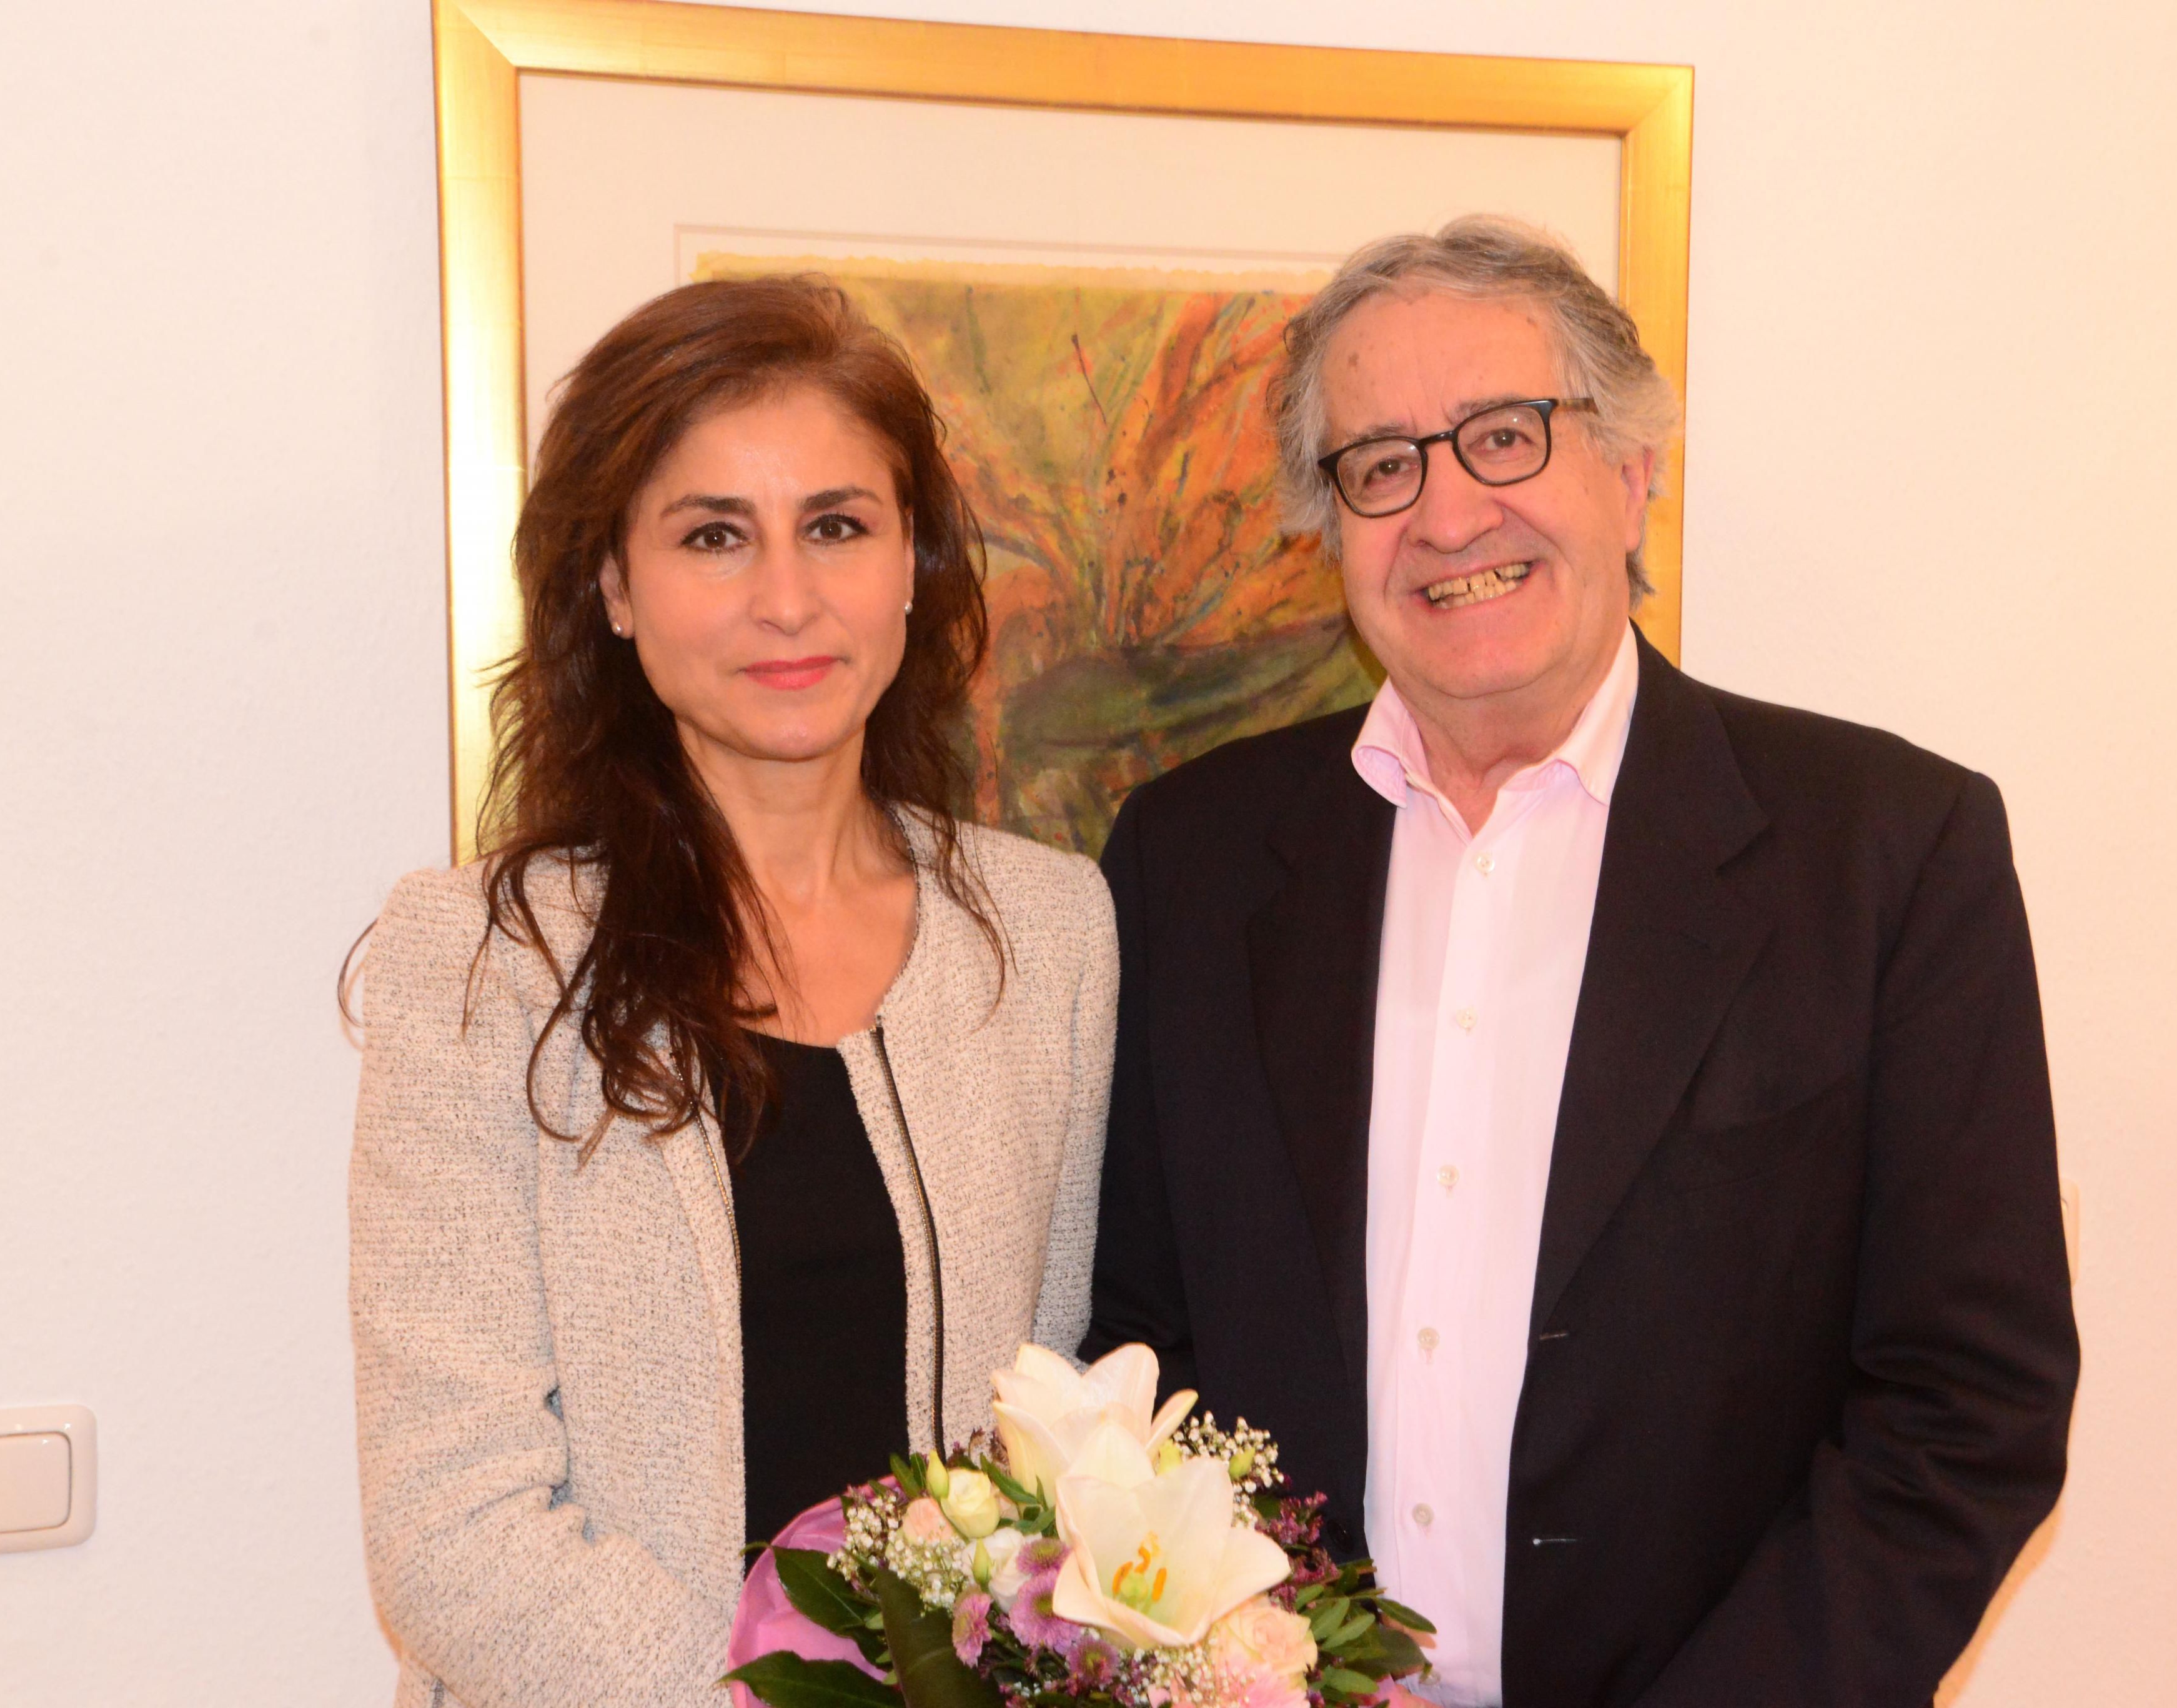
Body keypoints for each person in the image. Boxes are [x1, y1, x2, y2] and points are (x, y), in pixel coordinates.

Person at [1085, 216, 2078, 1708]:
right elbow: (1131, 1350)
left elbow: (1965, 1405)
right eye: (1380, 464)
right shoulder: (1190, 860)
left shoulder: (1885, 851)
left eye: (1503, 436)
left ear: (1630, 469)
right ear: (1329, 529)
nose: (1445, 513)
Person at [350, 276, 1114, 1707]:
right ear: (615, 588)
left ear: (911, 565)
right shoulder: (484, 960)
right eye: (713, 534)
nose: (787, 598)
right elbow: (451, 1527)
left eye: (837, 525)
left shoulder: (1048, 932)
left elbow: (1060, 1427)